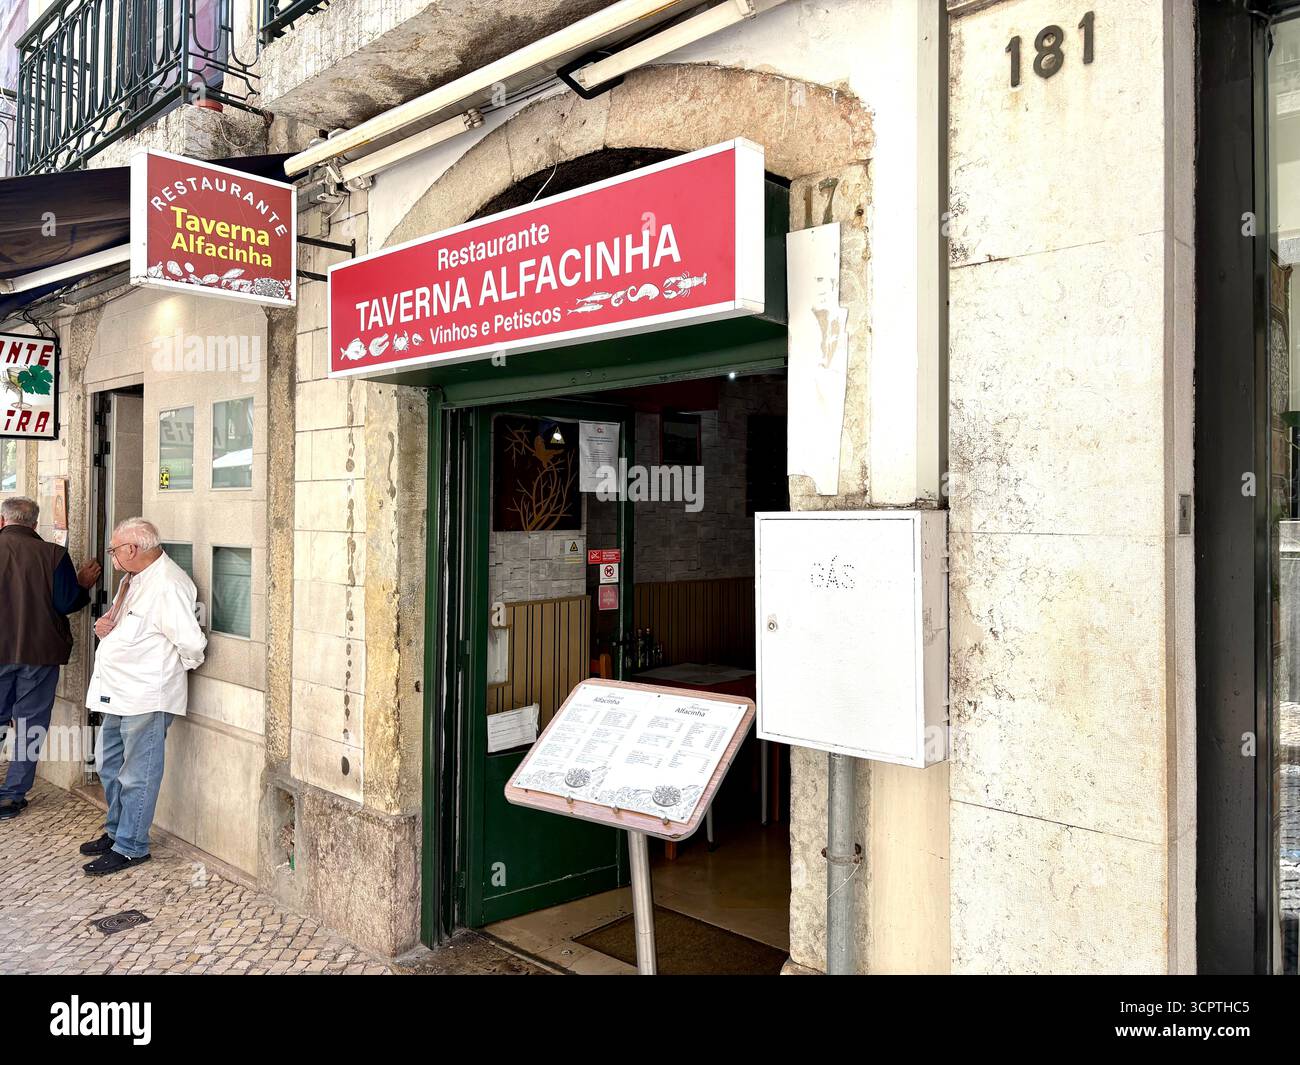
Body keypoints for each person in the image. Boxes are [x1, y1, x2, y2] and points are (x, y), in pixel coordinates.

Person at [80, 517, 205, 876]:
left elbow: (192, 644)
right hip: (118, 693)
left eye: (115, 549)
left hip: (146, 696)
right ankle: (117, 829)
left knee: (138, 774)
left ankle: (131, 846)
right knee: (107, 764)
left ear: (132, 549)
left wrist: (163, 675)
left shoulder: (167, 585)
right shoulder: (133, 579)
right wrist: (105, 626)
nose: (112, 556)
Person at [0, 496, 101, 820]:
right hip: (39, 653)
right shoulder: (53, 554)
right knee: (30, 723)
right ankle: (12, 795)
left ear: (3, 521)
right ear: (34, 523)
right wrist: (82, 584)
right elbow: (67, 602)